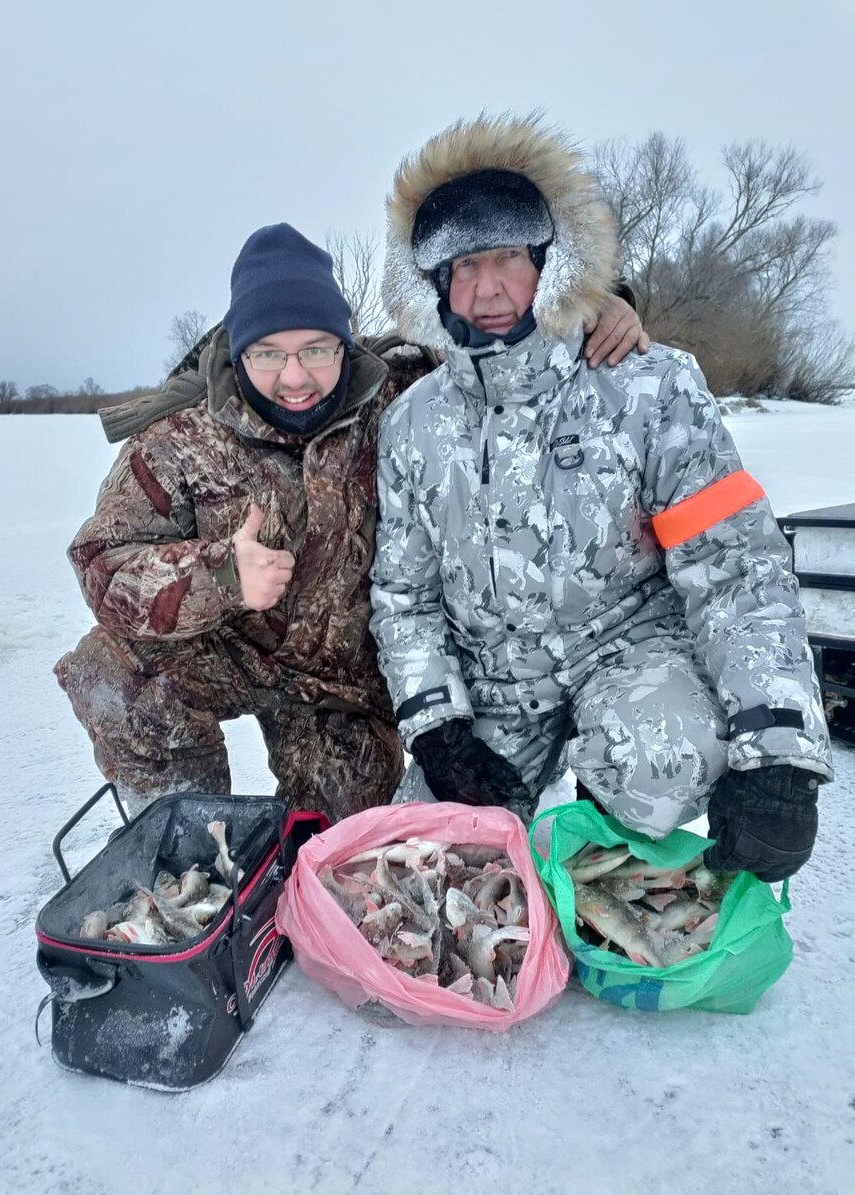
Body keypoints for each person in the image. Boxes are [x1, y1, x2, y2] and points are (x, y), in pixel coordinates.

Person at [370, 113, 832, 881]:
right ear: (431, 283)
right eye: (460, 267)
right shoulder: (411, 424)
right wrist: (437, 729)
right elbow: (402, 598)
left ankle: (605, 826)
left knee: (664, 761)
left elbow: (735, 571)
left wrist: (778, 753)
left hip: (623, 652)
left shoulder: (650, 383)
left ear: (552, 260)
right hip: (491, 678)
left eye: (508, 258)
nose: (485, 289)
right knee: (429, 864)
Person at [55, 221, 644, 821]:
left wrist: (597, 306)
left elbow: (504, 339)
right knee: (111, 671)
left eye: (316, 349)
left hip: (349, 685)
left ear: (345, 344)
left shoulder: (402, 393)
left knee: (348, 854)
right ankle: (187, 842)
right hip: (232, 655)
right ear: (238, 351)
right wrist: (220, 575)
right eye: (268, 354)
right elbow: (103, 564)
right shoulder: (177, 443)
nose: (294, 378)